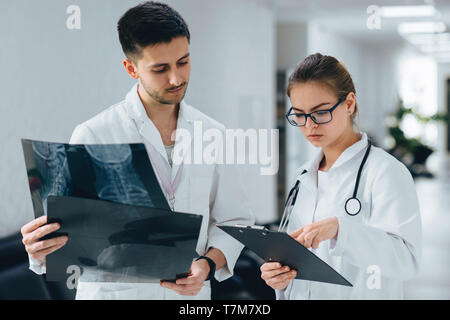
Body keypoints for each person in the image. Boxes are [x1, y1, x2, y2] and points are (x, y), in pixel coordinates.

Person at [20, 1, 254, 300]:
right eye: (160, 68)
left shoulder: (213, 134)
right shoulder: (93, 135)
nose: (176, 78)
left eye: (183, 62)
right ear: (131, 68)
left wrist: (207, 265)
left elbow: (234, 221)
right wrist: (39, 249)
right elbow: (66, 237)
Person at [260, 53, 422, 299]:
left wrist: (341, 230)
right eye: (300, 114)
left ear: (349, 104)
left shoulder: (385, 172)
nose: (309, 125)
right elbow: (298, 259)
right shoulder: (303, 176)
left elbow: (406, 262)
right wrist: (279, 277)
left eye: (320, 112)